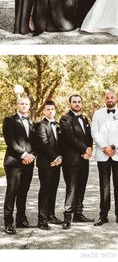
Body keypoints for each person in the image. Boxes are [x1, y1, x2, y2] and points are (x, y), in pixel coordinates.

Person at [91, 90, 118, 226]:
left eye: (112, 97)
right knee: (104, 186)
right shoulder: (97, 113)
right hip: (102, 154)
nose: (109, 99)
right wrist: (104, 147)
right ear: (104, 99)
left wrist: (113, 147)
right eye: (107, 97)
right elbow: (94, 132)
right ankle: (103, 215)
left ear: (116, 98)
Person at [2, 96, 36, 234]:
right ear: (17, 104)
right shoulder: (10, 120)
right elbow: (10, 141)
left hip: (28, 163)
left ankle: (21, 219)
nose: (24, 106)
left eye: (26, 104)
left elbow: (36, 142)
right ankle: (8, 222)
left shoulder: (32, 123)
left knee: (23, 192)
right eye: (21, 103)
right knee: (12, 192)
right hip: (14, 163)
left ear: (29, 106)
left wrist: (32, 155)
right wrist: (24, 155)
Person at [60, 94, 93, 229]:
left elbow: (89, 136)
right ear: (70, 104)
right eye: (74, 102)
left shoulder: (84, 119)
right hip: (71, 160)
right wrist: (85, 149)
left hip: (84, 160)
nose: (77, 104)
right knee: (72, 189)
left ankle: (78, 214)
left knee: (81, 187)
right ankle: (67, 217)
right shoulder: (65, 119)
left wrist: (89, 149)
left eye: (79, 102)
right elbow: (70, 138)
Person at [35, 100, 62, 230]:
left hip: (57, 163)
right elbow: (43, 144)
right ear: (44, 111)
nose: (50, 111)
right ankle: (42, 219)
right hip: (46, 164)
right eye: (48, 109)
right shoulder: (40, 125)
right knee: (45, 190)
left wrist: (60, 157)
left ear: (55, 110)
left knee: (53, 190)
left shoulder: (57, 125)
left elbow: (61, 143)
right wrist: (56, 158)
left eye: (52, 109)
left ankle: (51, 215)